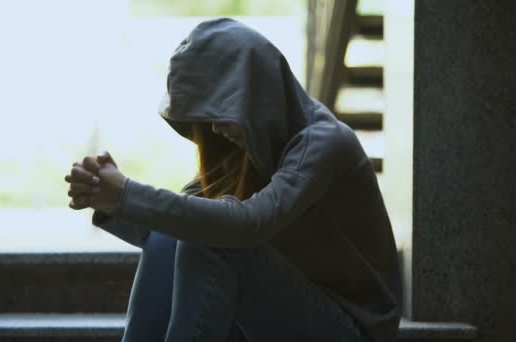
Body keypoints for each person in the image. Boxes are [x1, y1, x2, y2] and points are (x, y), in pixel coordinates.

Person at [65, 18, 402, 342]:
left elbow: (247, 225)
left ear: (252, 94)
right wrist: (109, 200)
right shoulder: (246, 149)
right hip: (278, 310)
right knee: (176, 233)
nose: (214, 129)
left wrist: (126, 193)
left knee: (211, 235)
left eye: (219, 112)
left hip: (349, 329)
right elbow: (170, 234)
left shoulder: (324, 143)